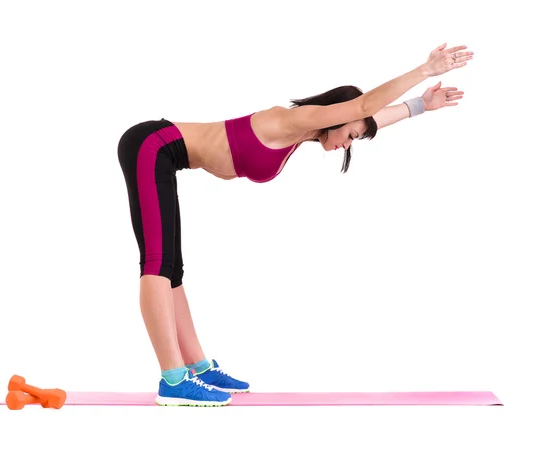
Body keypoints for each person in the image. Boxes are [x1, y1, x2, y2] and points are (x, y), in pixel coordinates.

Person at [117, 42, 474, 407]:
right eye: (349, 136)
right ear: (335, 118)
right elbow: (364, 108)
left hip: (163, 153)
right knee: (158, 263)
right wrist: (425, 71)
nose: (346, 145)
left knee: (172, 268)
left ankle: (197, 367)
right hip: (152, 146)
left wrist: (420, 106)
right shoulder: (291, 120)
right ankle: (173, 380)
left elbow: (367, 118)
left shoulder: (302, 134)